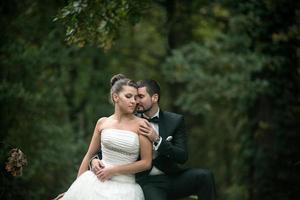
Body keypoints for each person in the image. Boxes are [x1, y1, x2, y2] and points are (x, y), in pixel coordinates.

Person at [91, 79, 216, 200]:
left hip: (173, 177)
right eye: (134, 97)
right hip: (148, 182)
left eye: (140, 96)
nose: (136, 101)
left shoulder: (175, 121)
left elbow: (182, 157)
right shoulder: (131, 122)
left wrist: (157, 140)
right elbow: (111, 148)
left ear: (154, 98)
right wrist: (94, 160)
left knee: (205, 176)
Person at [59, 74, 152, 200]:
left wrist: (113, 170)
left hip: (125, 188)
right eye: (128, 96)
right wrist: (74, 190)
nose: (133, 101)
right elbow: (89, 155)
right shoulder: (102, 122)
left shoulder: (141, 124)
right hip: (95, 183)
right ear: (115, 97)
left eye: (135, 97)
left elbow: (146, 163)